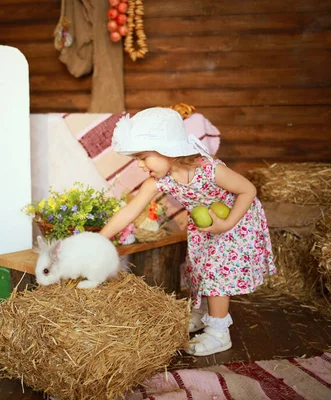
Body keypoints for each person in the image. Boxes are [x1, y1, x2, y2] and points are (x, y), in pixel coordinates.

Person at [99, 107, 276, 356]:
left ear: (167, 149)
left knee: (217, 273)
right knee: (200, 269)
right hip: (205, 226)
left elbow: (248, 190)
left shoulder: (209, 170)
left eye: (142, 157)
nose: (139, 165)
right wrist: (100, 238)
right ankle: (206, 314)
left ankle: (219, 333)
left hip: (235, 220)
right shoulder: (160, 180)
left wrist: (226, 224)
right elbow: (129, 212)